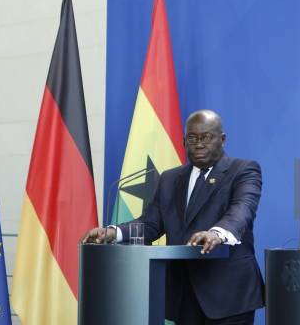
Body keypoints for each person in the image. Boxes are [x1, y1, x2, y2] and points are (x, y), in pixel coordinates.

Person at [82, 109, 264, 325]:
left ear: (222, 139)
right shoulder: (170, 178)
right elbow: (150, 223)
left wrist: (216, 233)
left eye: (206, 137)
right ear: (184, 141)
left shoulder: (243, 170)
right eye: (192, 138)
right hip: (183, 296)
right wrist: (112, 232)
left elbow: (242, 210)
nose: (198, 144)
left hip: (228, 295)